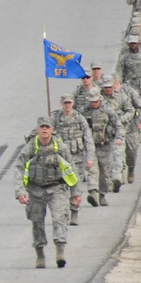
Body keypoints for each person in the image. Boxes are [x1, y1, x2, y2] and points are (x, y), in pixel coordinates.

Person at [14, 117, 80, 269]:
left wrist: (76, 193)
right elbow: (19, 168)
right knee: (37, 222)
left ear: (52, 130)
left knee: (59, 219)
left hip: (57, 189)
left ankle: (60, 252)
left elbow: (71, 169)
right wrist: (20, 192)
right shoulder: (31, 148)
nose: (44, 130)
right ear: (37, 129)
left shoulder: (61, 148)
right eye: (42, 127)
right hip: (35, 190)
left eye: (47, 127)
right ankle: (40, 255)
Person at [50, 93, 94, 226]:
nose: (67, 105)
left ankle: (74, 212)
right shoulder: (55, 118)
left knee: (75, 185)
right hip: (60, 160)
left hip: (77, 158)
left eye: (69, 103)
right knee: (61, 188)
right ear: (61, 104)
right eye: (65, 103)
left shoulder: (79, 118)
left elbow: (88, 138)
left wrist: (89, 157)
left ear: (73, 103)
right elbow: (46, 132)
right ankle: (63, 214)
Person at [82, 89, 123, 207]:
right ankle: (93, 193)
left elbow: (118, 125)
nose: (93, 103)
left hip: (105, 145)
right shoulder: (84, 111)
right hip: (91, 146)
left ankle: (102, 195)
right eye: (91, 101)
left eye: (95, 101)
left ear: (99, 99)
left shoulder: (108, 110)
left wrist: (119, 137)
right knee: (92, 170)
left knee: (105, 172)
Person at [116, 34, 141, 104]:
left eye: (134, 43)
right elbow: (119, 71)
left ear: (138, 44)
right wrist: (119, 84)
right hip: (130, 86)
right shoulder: (124, 57)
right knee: (134, 107)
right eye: (131, 44)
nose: (133, 46)